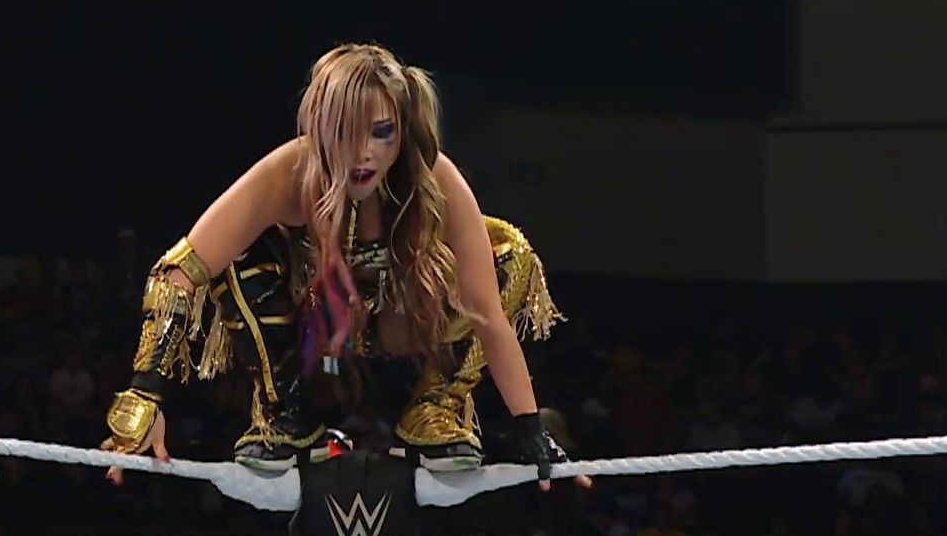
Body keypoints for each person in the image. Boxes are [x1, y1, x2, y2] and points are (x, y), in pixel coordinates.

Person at [101, 43, 587, 490]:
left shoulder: (432, 175)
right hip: (309, 336)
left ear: (402, 128)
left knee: (510, 254)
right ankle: (283, 410)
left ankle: (436, 405)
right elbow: (179, 271)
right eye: (345, 131)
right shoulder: (287, 173)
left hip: (407, 332)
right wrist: (143, 398)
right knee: (233, 255)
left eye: (381, 132)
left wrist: (531, 430)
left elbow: (488, 312)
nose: (363, 152)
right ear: (319, 127)